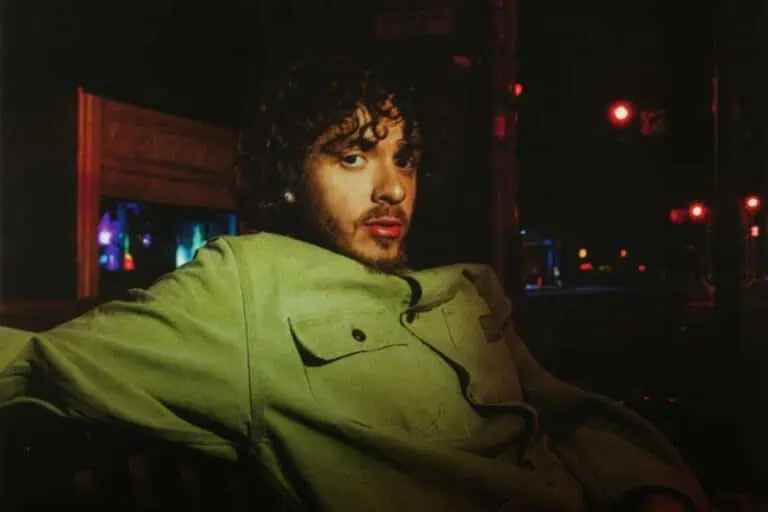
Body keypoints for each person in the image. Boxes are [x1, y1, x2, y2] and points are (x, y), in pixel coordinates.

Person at [0, 54, 710, 511]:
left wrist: (651, 492)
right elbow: (37, 362)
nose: (392, 187)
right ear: (291, 178)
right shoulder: (247, 284)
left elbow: (566, 416)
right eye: (352, 157)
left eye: (406, 160)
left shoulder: (468, 288)